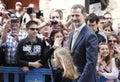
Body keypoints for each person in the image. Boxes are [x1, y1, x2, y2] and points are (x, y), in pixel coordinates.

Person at [68, 4, 98, 82]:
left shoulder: (90, 35)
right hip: (74, 77)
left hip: (86, 79)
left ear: (84, 16)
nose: (74, 18)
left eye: (77, 15)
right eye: (72, 15)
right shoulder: (71, 34)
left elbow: (91, 62)